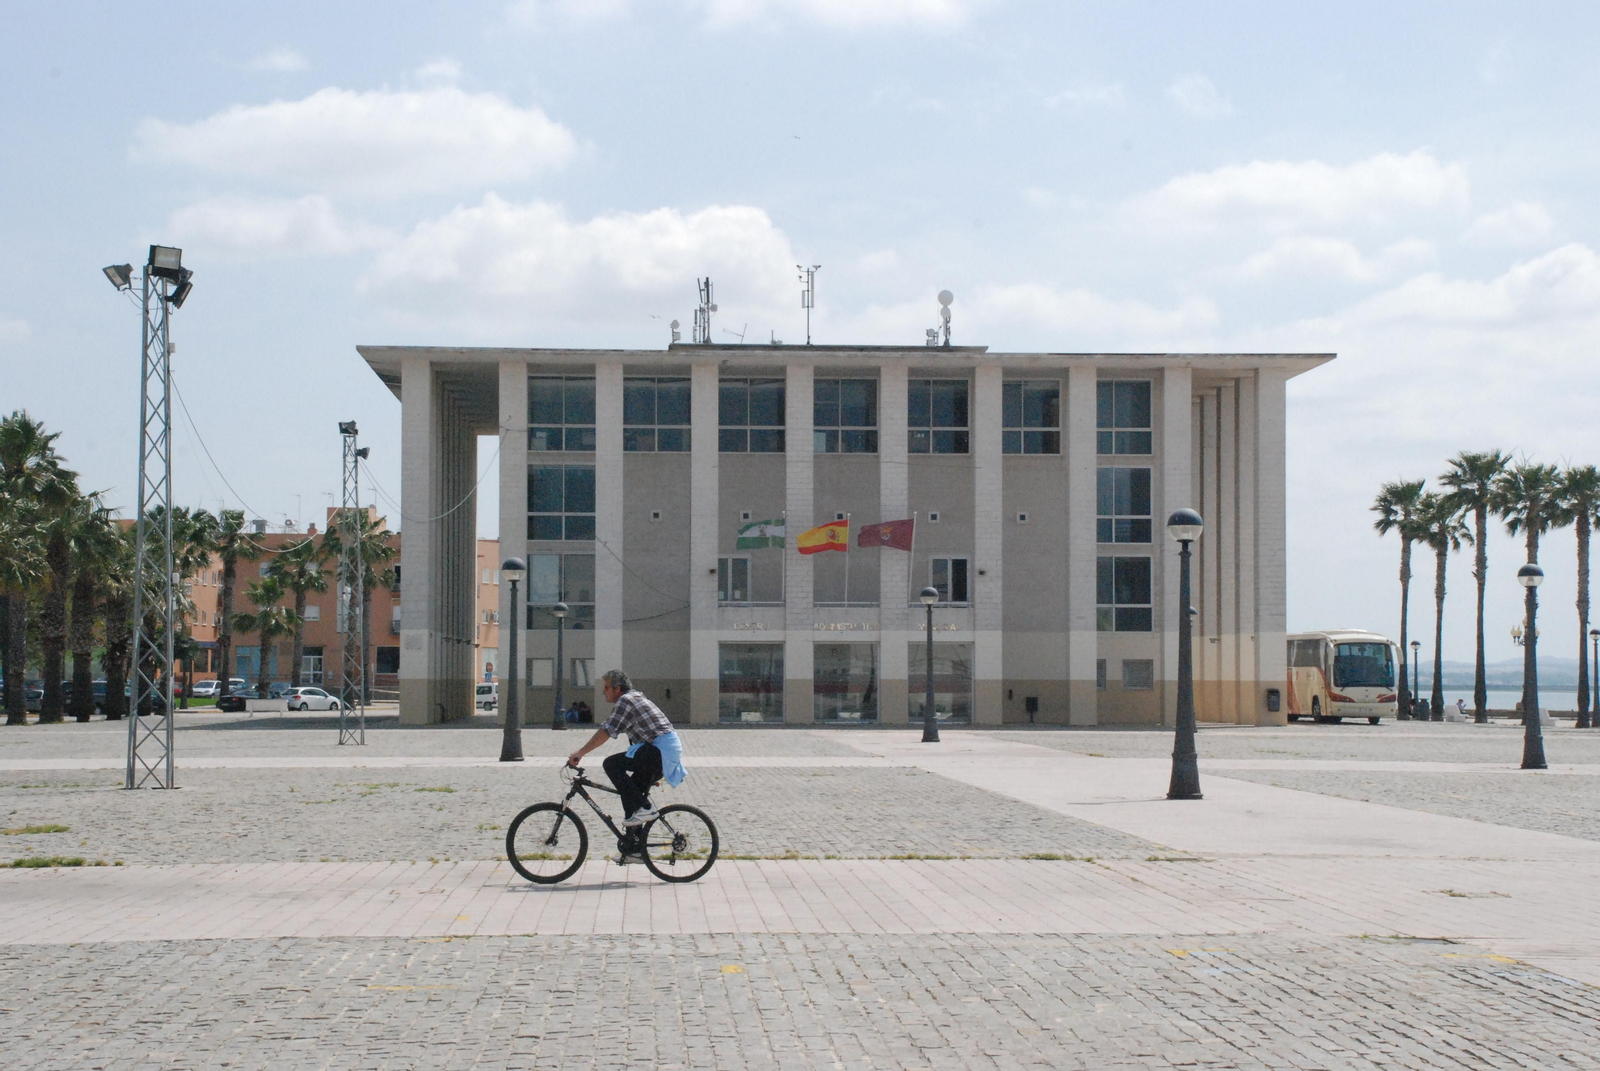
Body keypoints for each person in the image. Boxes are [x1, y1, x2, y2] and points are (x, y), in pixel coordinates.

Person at [566, 669, 686, 864]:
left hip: (659, 751)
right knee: (629, 795)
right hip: (656, 752)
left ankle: (646, 808)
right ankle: (635, 850)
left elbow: (606, 730)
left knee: (611, 764)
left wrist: (580, 753)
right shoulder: (633, 698)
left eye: (606, 688)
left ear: (617, 688)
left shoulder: (626, 701)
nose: (603, 692)